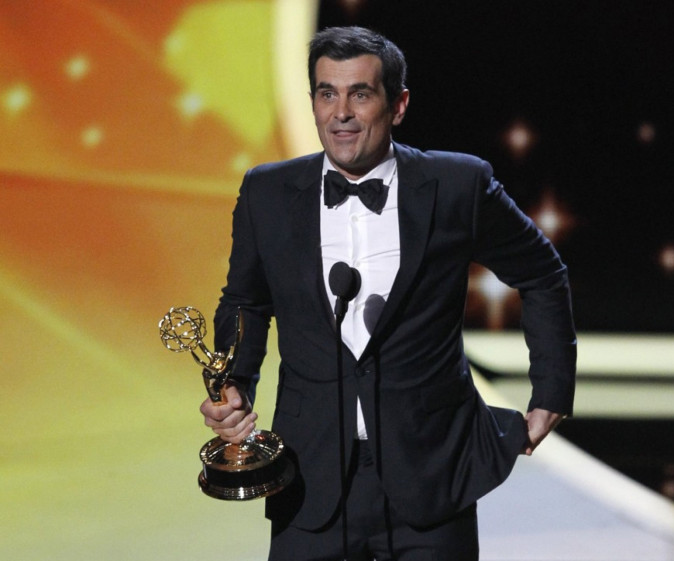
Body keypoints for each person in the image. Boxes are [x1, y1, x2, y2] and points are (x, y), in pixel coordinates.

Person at [200, 26, 576, 561]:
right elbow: (245, 303)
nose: (341, 113)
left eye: (361, 93)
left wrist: (551, 397)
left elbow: (543, 273)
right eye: (326, 93)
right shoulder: (268, 191)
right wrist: (233, 387)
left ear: (398, 105)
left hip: (430, 476)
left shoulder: (457, 186)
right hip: (308, 480)